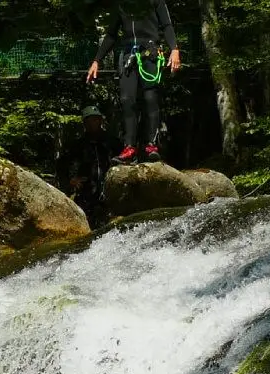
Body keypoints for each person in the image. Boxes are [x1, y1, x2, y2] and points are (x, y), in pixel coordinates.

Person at [85, 0, 182, 165]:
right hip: (129, 55)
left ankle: (151, 145)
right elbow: (111, 34)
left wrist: (174, 49)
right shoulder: (122, 3)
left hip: (150, 54)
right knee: (127, 100)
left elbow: (166, 25)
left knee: (150, 98)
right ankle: (129, 147)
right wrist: (96, 60)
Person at [57, 105, 118, 229]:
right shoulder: (78, 145)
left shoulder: (112, 142)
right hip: (86, 193)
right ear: (84, 124)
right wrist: (70, 180)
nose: (92, 124)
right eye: (89, 121)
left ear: (100, 121)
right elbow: (61, 166)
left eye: (95, 120)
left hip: (110, 191)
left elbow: (124, 160)